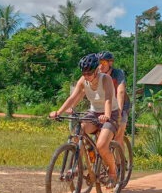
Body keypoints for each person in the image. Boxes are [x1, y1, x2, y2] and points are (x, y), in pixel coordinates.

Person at [50, 53, 118, 184]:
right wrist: (58, 112)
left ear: (97, 70)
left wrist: (107, 115)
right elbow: (72, 98)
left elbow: (108, 99)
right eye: (84, 73)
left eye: (89, 73)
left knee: (102, 146)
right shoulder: (83, 80)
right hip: (94, 113)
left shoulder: (106, 79)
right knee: (78, 132)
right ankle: (77, 167)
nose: (86, 76)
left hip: (111, 113)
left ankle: (113, 172)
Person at [97, 51, 130, 148]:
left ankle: (120, 162)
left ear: (110, 63)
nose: (100, 66)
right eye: (98, 63)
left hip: (122, 105)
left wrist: (119, 111)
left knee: (118, 134)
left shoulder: (118, 73)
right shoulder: (97, 74)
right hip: (106, 105)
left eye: (103, 63)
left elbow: (120, 92)